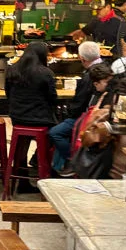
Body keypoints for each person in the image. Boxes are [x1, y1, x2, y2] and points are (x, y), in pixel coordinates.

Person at [5, 41, 58, 189]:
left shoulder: (12, 70)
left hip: (17, 117)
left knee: (22, 144)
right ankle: (44, 168)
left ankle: (22, 179)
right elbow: (52, 99)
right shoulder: (46, 73)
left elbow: (8, 94)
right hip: (40, 119)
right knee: (58, 132)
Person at [48, 43, 103, 171]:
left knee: (55, 133)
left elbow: (78, 105)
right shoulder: (104, 68)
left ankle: (74, 160)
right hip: (96, 116)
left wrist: (68, 112)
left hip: (87, 118)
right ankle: (59, 165)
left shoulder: (89, 75)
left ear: (82, 58)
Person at [51, 61, 112, 168]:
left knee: (56, 133)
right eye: (106, 82)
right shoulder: (96, 91)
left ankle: (73, 160)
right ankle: (67, 163)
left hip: (91, 125)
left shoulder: (106, 94)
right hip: (85, 120)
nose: (109, 84)